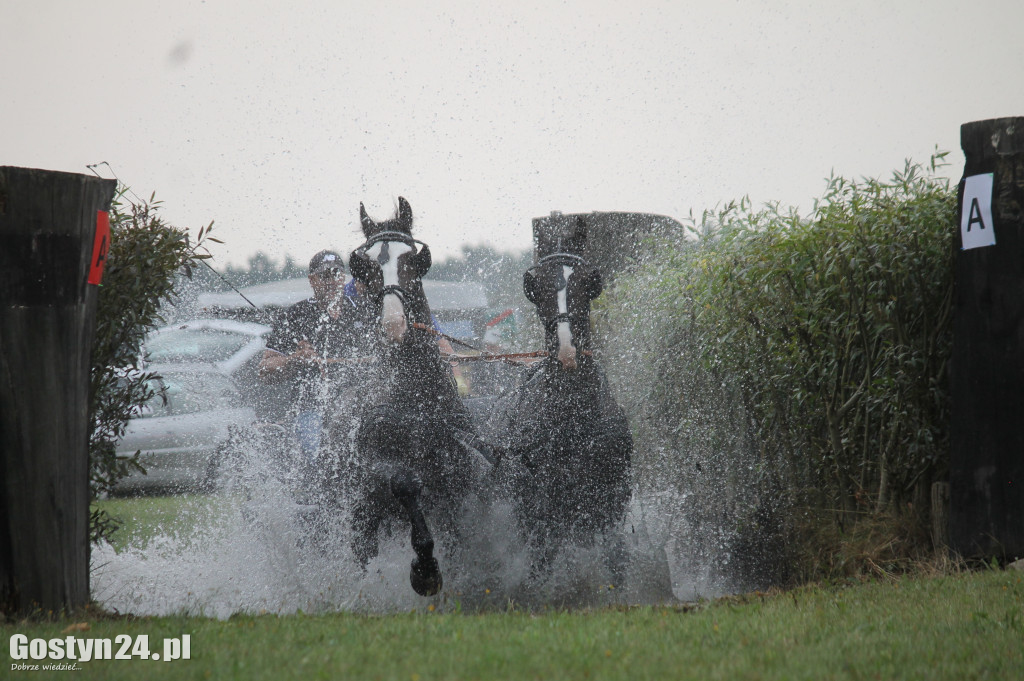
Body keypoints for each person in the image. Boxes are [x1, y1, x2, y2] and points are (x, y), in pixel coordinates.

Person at [258, 249, 372, 459]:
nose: (331, 281)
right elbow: (264, 369)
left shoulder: (364, 311)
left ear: (344, 277)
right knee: (315, 455)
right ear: (312, 280)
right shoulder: (294, 315)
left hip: (361, 405)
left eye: (336, 275)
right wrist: (294, 359)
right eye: (324, 276)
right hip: (312, 407)